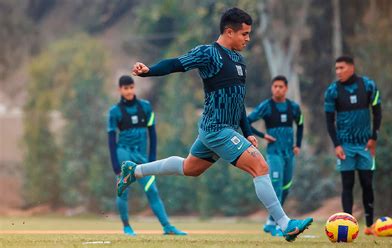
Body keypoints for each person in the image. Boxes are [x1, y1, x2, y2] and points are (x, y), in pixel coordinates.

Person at [116, 8, 312, 242]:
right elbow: (176, 63)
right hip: (216, 129)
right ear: (229, 32)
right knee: (260, 166)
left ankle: (135, 170)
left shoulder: (239, 60)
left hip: (222, 129)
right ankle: (285, 224)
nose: (248, 39)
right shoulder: (209, 53)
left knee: (190, 168)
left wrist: (247, 131)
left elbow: (238, 101)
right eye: (245, 34)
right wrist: (149, 72)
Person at [108, 75, 186, 236]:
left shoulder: (145, 107)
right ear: (120, 90)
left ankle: (167, 227)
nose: (129, 91)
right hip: (124, 153)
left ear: (134, 87)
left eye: (131, 87)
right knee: (123, 190)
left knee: (152, 191)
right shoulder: (114, 112)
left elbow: (153, 134)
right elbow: (111, 138)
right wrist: (115, 164)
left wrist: (152, 159)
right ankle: (127, 227)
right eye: (125, 88)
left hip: (142, 157)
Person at [324, 56, 382, 235]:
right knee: (347, 184)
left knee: (367, 183)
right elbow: (329, 121)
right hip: (345, 146)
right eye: (336, 68)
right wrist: (337, 145)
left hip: (365, 146)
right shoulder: (332, 90)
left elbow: (378, 112)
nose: (338, 71)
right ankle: (348, 224)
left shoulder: (369, 86)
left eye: (341, 68)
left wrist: (373, 138)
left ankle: (370, 225)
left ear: (351, 67)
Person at [247, 75, 304, 236]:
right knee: (277, 186)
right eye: (275, 86)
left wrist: (298, 144)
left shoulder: (293, 107)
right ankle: (276, 225)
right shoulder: (266, 106)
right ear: (272, 88)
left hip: (289, 153)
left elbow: (300, 124)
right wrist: (263, 135)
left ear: (286, 88)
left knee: (286, 187)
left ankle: (270, 222)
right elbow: (246, 121)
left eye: (281, 86)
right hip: (274, 153)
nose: (277, 89)